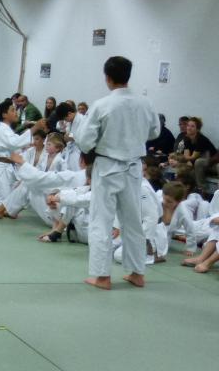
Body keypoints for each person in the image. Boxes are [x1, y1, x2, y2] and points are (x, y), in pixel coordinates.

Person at [74, 56, 160, 290]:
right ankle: (137, 273)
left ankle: (102, 277)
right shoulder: (146, 103)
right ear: (128, 76)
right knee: (133, 220)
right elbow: (154, 132)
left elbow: (85, 140)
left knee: (101, 220)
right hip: (133, 167)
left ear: (108, 78)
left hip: (108, 167)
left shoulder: (102, 105)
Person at [55, 101, 84, 171]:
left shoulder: (82, 119)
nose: (66, 121)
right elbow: (69, 133)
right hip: (71, 150)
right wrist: (67, 136)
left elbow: (83, 135)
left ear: (69, 113)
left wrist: (70, 136)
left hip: (79, 151)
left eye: (65, 119)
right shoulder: (71, 121)